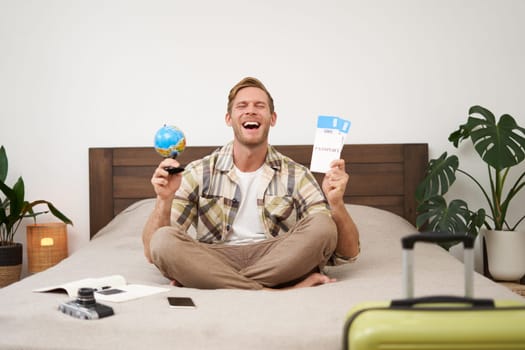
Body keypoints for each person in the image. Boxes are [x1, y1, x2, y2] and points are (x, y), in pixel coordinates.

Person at [142, 77, 359, 290]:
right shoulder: (198, 172)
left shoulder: (296, 174)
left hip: (276, 257)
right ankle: (272, 290)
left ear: (272, 118)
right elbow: (153, 252)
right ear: (229, 118)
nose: (251, 111)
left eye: (259, 106)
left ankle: (214, 281)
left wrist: (337, 204)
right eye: (242, 106)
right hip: (214, 256)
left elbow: (346, 253)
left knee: (323, 224)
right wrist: (164, 199)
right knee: (163, 240)